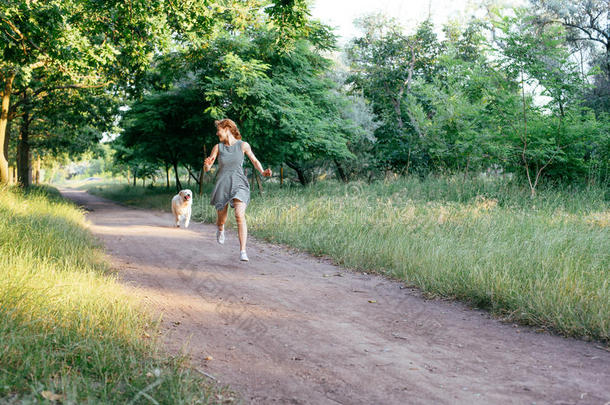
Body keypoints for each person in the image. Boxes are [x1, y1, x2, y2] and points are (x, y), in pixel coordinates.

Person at [203, 119, 272, 262]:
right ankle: (221, 228)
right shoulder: (218, 147)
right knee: (222, 219)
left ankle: (243, 251)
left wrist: (262, 171)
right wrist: (207, 166)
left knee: (239, 215)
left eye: (219, 130)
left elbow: (254, 160)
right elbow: (208, 167)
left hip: (239, 183)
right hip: (223, 184)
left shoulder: (243, 145)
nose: (217, 133)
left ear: (227, 128)